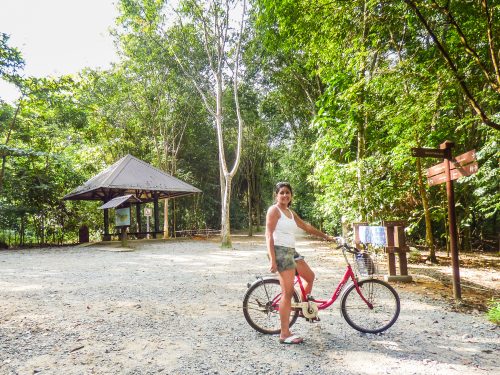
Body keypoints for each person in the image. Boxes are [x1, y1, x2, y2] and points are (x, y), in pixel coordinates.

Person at [266, 182, 334, 344]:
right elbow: (268, 235)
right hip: (280, 252)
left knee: (310, 276)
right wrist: (273, 260)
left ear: (291, 196)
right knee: (287, 293)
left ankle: (302, 309)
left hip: (291, 251)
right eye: (281, 193)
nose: (285, 195)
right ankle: (284, 333)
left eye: (287, 193)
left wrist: (327, 237)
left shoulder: (290, 212)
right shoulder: (274, 211)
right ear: (277, 195)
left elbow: (306, 227)